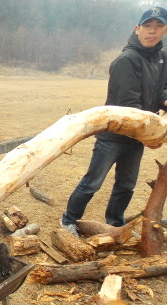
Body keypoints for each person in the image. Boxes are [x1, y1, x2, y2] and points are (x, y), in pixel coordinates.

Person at [60, 6, 167, 236]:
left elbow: (162, 88)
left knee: (126, 185)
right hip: (114, 136)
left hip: (137, 137)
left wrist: (166, 99)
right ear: (137, 29)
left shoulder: (161, 57)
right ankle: (69, 221)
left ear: (165, 30)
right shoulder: (126, 60)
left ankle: (115, 223)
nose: (153, 31)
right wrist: (151, 137)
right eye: (148, 26)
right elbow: (129, 107)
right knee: (93, 183)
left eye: (158, 26)